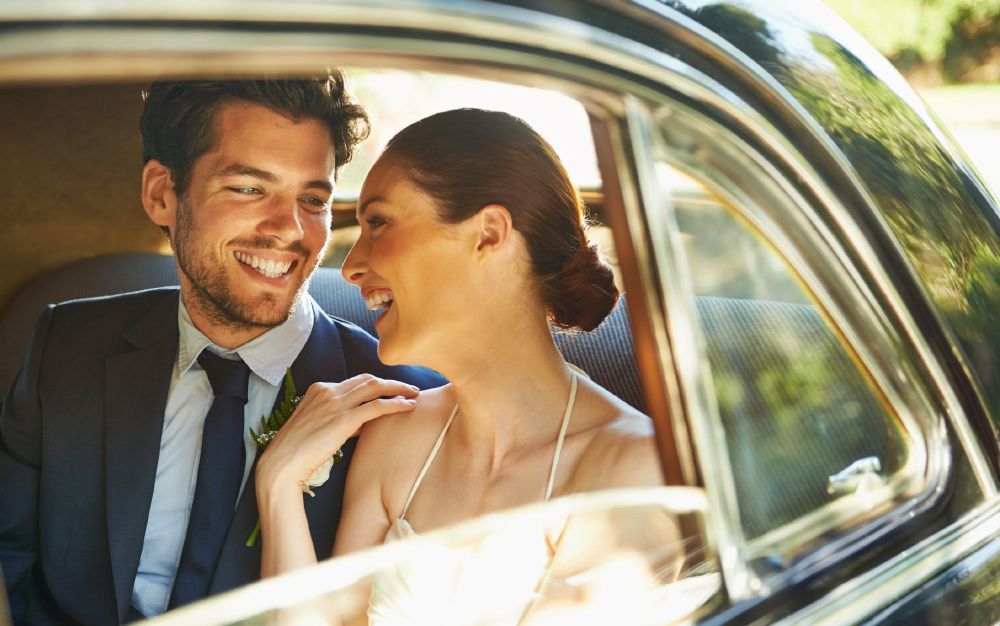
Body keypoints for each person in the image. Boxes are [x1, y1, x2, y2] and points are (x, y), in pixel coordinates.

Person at [0, 76, 444, 626]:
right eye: (249, 189)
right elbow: (10, 556)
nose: (290, 229)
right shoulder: (67, 344)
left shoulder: (406, 400)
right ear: (162, 194)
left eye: (312, 199)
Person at [255, 108, 676, 623]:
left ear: (489, 234)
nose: (351, 265)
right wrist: (278, 484)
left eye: (380, 223)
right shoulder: (395, 438)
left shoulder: (632, 470)